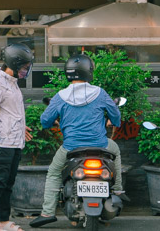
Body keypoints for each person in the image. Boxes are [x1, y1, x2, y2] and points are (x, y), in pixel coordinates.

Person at [29, 54, 124, 228]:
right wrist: (113, 121)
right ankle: (117, 187)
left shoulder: (60, 96)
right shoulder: (100, 93)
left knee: (54, 173)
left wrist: (55, 121)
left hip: (71, 148)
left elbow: (44, 121)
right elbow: (116, 116)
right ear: (89, 71)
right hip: (100, 145)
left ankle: (47, 212)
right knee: (115, 150)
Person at [0, 44, 34, 231]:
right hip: (1, 142)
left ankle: (3, 221)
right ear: (14, 63)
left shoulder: (11, 82)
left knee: (7, 185)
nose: (26, 70)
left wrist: (20, 126)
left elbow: (9, 111)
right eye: (24, 66)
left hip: (14, 141)